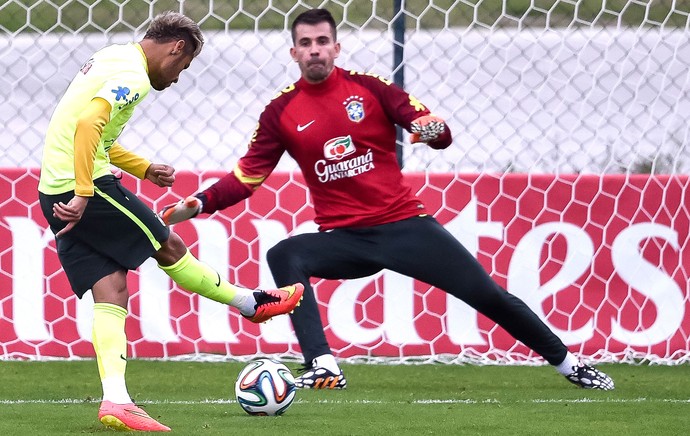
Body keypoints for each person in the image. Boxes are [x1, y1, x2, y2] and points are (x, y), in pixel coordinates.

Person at [160, 8, 614, 392]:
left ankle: (569, 364)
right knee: (286, 254)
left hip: (405, 227)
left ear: (336, 48)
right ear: (294, 52)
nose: (315, 49)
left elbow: (428, 124)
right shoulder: (280, 112)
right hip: (345, 239)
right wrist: (199, 204)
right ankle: (324, 365)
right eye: (306, 43)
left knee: (487, 295)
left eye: (323, 41)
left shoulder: (371, 89)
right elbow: (246, 178)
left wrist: (435, 131)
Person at [38, 11, 304, 432]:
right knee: (169, 246)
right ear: (176, 47)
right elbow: (88, 125)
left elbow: (86, 131)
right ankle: (250, 304)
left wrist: (142, 168)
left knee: (111, 291)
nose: (179, 76)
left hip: (51, 188)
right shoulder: (136, 75)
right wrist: (87, 193)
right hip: (83, 186)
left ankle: (117, 401)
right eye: (185, 65)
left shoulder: (114, 56)